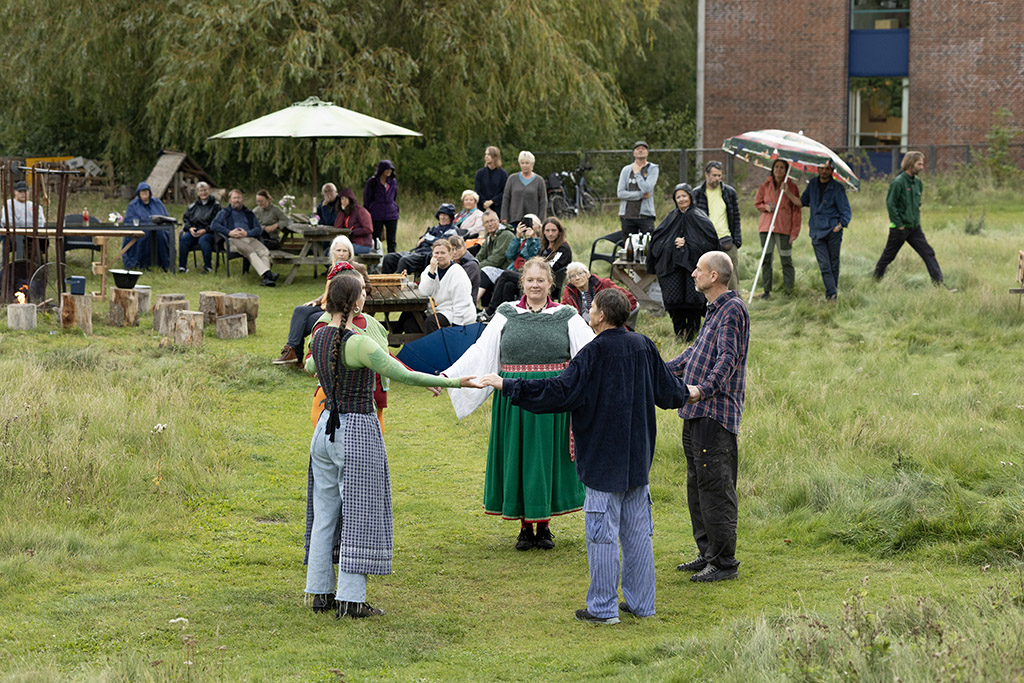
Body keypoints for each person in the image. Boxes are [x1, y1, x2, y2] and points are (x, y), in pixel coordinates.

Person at [479, 288, 689, 624]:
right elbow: (669, 392)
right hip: (637, 459)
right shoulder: (643, 346)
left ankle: (603, 609)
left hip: (604, 461)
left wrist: (509, 385)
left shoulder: (593, 354)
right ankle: (641, 604)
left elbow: (560, 392)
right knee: (637, 534)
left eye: (591, 308)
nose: (587, 311)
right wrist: (697, 392)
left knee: (602, 535)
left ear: (602, 315)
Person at [304, 275, 479, 618]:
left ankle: (320, 593)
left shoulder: (319, 335)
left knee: (324, 514)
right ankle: (351, 599)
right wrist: (454, 380)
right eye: (363, 294)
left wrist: (327, 369)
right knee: (360, 513)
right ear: (356, 302)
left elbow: (311, 365)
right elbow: (405, 375)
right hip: (356, 428)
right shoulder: (360, 343)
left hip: (324, 429)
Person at [444, 257, 594, 551]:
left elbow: (590, 352)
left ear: (551, 283)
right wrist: (449, 378)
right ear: (522, 283)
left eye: (541, 280)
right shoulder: (506, 313)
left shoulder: (567, 315)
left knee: (545, 460)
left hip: (553, 400)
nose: (535, 285)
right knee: (519, 458)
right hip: (513, 399)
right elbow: (481, 351)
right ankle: (525, 528)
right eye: (530, 280)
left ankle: (545, 527)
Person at [667, 251, 749, 583]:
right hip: (695, 411)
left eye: (698, 270)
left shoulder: (732, 309)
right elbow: (695, 353)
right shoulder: (714, 310)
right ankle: (707, 554)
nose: (693, 275)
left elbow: (728, 358)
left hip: (714, 413)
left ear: (714, 276)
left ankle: (725, 562)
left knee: (715, 487)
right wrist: (660, 370)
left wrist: (703, 389)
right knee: (698, 485)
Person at [274, 235, 367, 366]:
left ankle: (298, 356)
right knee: (300, 310)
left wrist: (356, 298)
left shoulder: (358, 268)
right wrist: (317, 301)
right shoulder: (332, 268)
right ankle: (292, 351)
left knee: (304, 323)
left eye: (344, 251)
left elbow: (367, 289)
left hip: (340, 308)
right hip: (326, 304)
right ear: (332, 252)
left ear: (350, 253)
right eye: (338, 250)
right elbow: (329, 291)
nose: (341, 254)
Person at [646, 183, 719, 341]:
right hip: (673, 267)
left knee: (694, 300)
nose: (681, 199)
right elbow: (657, 241)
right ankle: (679, 333)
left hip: (694, 267)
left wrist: (688, 244)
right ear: (674, 199)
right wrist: (673, 242)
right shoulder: (670, 218)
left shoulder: (699, 217)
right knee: (675, 300)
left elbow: (709, 242)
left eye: (684, 196)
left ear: (690, 197)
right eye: (678, 197)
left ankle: (692, 334)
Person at [873, 151, 945, 286]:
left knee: (928, 253)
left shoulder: (918, 183)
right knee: (888, 257)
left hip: (914, 228)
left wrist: (915, 221)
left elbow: (917, 205)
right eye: (919, 164)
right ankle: (875, 281)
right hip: (899, 229)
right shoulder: (898, 182)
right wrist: (899, 224)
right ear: (910, 164)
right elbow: (891, 204)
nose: (922, 167)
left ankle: (939, 284)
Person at [801, 159, 852, 300]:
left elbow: (846, 211)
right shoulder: (812, 185)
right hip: (817, 231)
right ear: (817, 169)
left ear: (832, 171)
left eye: (827, 169)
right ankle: (832, 293)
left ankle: (832, 296)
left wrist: (840, 225)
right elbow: (802, 202)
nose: (824, 171)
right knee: (824, 265)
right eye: (822, 168)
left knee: (833, 263)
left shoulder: (837, 188)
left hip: (832, 231)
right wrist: (786, 191)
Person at [478, 214, 542, 321]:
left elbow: (532, 257)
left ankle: (491, 310)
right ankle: (505, 315)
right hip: (515, 272)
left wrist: (530, 239)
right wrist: (517, 237)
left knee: (505, 274)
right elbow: (510, 255)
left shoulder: (539, 242)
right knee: (508, 285)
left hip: (528, 275)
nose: (528, 226)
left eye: (532, 223)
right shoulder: (521, 241)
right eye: (524, 223)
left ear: (538, 227)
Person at [753, 159, 803, 299]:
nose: (779, 170)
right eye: (776, 167)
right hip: (766, 228)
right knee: (766, 259)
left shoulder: (792, 187)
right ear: (772, 169)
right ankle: (766, 291)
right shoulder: (765, 186)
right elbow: (757, 204)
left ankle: (789, 291)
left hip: (784, 229)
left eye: (782, 167)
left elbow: (797, 211)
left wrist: (794, 232)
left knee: (786, 260)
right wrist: (766, 207)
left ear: (786, 170)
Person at [211, 189, 279, 287]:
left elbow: (258, 229)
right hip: (231, 240)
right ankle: (268, 275)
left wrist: (247, 233)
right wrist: (229, 232)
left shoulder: (249, 213)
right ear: (230, 200)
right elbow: (214, 225)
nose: (237, 200)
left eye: (239, 198)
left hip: (248, 238)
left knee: (264, 251)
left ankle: (266, 278)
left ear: (242, 199)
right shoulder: (224, 212)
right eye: (234, 198)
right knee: (250, 250)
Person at [692, 161, 742, 291]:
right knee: (706, 279)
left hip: (727, 241)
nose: (717, 179)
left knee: (732, 280)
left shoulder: (729, 192)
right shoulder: (696, 194)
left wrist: (737, 241)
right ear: (706, 175)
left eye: (719, 175)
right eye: (714, 175)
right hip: (706, 242)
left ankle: (736, 307)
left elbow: (736, 217)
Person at [409, 239, 476, 333]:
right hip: (437, 310)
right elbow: (424, 292)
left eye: (443, 253)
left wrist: (456, 326)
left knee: (431, 322)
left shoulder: (457, 272)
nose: (439, 256)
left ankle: (436, 347)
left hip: (454, 312)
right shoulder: (430, 269)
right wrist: (431, 273)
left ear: (450, 254)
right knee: (410, 322)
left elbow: (462, 302)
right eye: (436, 253)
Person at [380, 203, 459, 276]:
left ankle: (398, 286)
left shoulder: (453, 230)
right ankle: (383, 283)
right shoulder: (435, 228)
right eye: (441, 214)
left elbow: (441, 243)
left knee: (405, 260)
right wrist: (428, 239)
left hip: (427, 256)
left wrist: (427, 239)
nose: (442, 217)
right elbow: (422, 240)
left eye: (445, 215)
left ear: (450, 217)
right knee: (389, 257)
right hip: (417, 252)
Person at [561, 262, 638, 327]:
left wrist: (618, 320)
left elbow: (631, 300)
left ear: (588, 275)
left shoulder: (605, 285)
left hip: (607, 328)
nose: (577, 278)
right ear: (570, 281)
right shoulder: (568, 293)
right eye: (573, 276)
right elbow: (563, 312)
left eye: (580, 273)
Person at [616, 140, 659, 240]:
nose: (640, 151)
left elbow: (647, 188)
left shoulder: (653, 169)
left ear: (647, 152)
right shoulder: (626, 170)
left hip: (645, 216)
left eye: (643, 149)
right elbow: (620, 193)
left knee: (647, 247)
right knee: (629, 247)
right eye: (638, 149)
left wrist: (637, 174)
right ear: (634, 153)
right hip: (627, 216)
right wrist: (640, 195)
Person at [122, 181, 171, 270]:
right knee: (144, 236)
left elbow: (166, 217)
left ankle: (164, 264)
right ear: (139, 193)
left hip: (158, 229)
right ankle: (139, 264)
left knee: (161, 236)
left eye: (146, 191)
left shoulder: (157, 203)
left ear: (149, 192)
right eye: (142, 191)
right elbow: (128, 220)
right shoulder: (133, 205)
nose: (144, 193)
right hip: (140, 229)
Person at [475, 210, 516, 306]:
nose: (490, 224)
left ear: (498, 221)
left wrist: (476, 268)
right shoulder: (489, 236)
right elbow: (480, 255)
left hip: (508, 271)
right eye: (486, 222)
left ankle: (473, 303)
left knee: (484, 271)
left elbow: (496, 259)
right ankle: (483, 309)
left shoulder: (506, 234)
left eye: (492, 221)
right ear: (483, 225)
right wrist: (473, 265)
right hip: (496, 270)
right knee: (479, 271)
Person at [178, 182, 220, 273]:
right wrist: (190, 228)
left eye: (205, 190)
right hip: (195, 231)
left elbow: (216, 222)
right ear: (197, 193)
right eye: (201, 191)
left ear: (209, 191)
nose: (203, 193)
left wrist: (205, 230)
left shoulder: (216, 206)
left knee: (203, 240)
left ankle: (208, 267)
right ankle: (182, 267)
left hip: (209, 232)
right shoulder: (193, 206)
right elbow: (186, 219)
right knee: (184, 238)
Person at [1, 180, 46, 260]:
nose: (23, 194)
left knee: (42, 240)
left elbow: (40, 222)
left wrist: (21, 223)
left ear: (28, 192)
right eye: (20, 191)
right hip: (14, 235)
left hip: (32, 235)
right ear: (15, 192)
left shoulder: (35, 206)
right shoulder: (9, 204)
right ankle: (14, 265)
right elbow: (7, 221)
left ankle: (38, 265)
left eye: (25, 191)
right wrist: (27, 224)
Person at [363, 160, 400, 253]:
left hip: (391, 213)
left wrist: (393, 206)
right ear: (381, 170)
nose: (389, 171)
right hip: (376, 214)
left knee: (392, 240)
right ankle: (376, 262)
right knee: (376, 239)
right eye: (387, 169)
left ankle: (392, 262)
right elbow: (367, 198)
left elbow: (394, 196)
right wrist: (368, 211)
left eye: (391, 169)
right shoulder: (372, 182)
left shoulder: (393, 182)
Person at [501, 151, 546, 225]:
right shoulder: (512, 179)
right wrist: (504, 217)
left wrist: (541, 220)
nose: (524, 165)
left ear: (532, 164)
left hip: (533, 221)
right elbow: (506, 198)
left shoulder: (539, 180)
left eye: (527, 163)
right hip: (514, 219)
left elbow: (543, 201)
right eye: (522, 163)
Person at [334, 188, 373, 254]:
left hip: (363, 245)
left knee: (338, 252)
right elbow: (337, 227)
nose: (344, 201)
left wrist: (352, 232)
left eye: (346, 199)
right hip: (349, 243)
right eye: (342, 199)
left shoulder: (360, 211)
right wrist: (342, 211)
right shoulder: (346, 213)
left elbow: (368, 229)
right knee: (329, 251)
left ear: (350, 199)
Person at [475, 146, 509, 217]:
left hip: (498, 209)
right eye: (485, 154)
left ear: (495, 157)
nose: (486, 156)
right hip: (482, 208)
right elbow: (477, 190)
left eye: (489, 155)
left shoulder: (503, 174)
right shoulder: (480, 173)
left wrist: (492, 201)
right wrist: (484, 202)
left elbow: (504, 192)